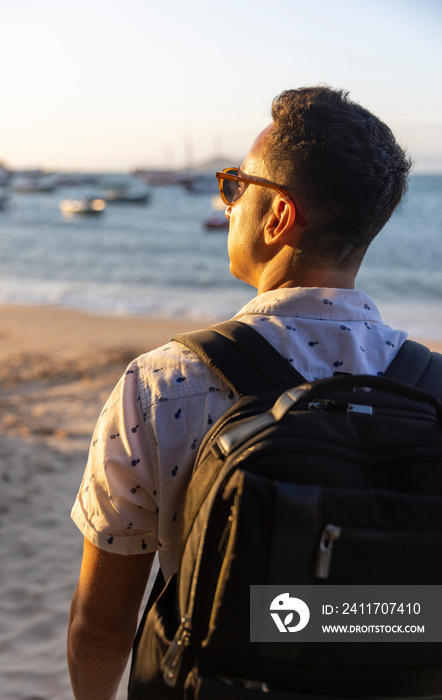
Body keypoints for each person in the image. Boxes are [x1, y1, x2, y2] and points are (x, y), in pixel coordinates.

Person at [67, 86, 412, 699]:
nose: (226, 204)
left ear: (277, 215)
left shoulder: (163, 385)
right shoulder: (430, 390)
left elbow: (100, 627)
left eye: (235, 185)